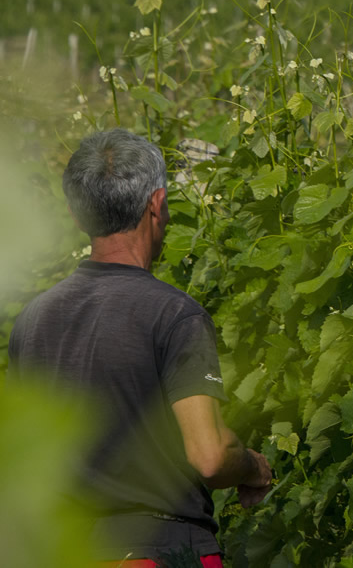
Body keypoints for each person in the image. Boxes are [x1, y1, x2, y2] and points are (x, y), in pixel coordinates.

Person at [7, 128, 272, 566]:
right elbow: (208, 455)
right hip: (158, 548)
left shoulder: (32, 322)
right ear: (158, 204)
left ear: (76, 215)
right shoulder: (173, 314)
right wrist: (251, 466)